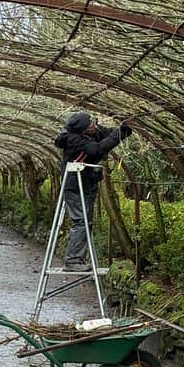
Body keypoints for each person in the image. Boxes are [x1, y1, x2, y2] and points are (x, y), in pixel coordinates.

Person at [53, 111, 133, 270]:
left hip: (86, 183)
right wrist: (118, 135)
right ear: (82, 129)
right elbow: (97, 149)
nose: (94, 125)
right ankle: (72, 260)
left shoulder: (91, 131)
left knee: (86, 221)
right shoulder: (73, 140)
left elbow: (108, 134)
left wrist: (123, 130)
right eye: (91, 124)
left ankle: (77, 258)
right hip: (74, 185)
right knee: (81, 221)